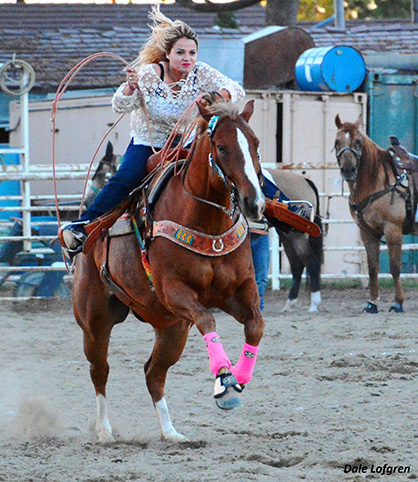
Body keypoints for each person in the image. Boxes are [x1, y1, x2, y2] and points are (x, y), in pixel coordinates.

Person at [60, 5, 310, 256]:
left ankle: (284, 208)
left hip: (189, 141)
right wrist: (129, 88)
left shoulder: (201, 72)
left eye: (192, 52)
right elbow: (120, 105)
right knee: (124, 178)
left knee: (235, 161)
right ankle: (84, 226)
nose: (187, 58)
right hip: (150, 142)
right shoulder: (149, 75)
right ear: (167, 54)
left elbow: (235, 89)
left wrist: (216, 95)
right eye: (180, 52)